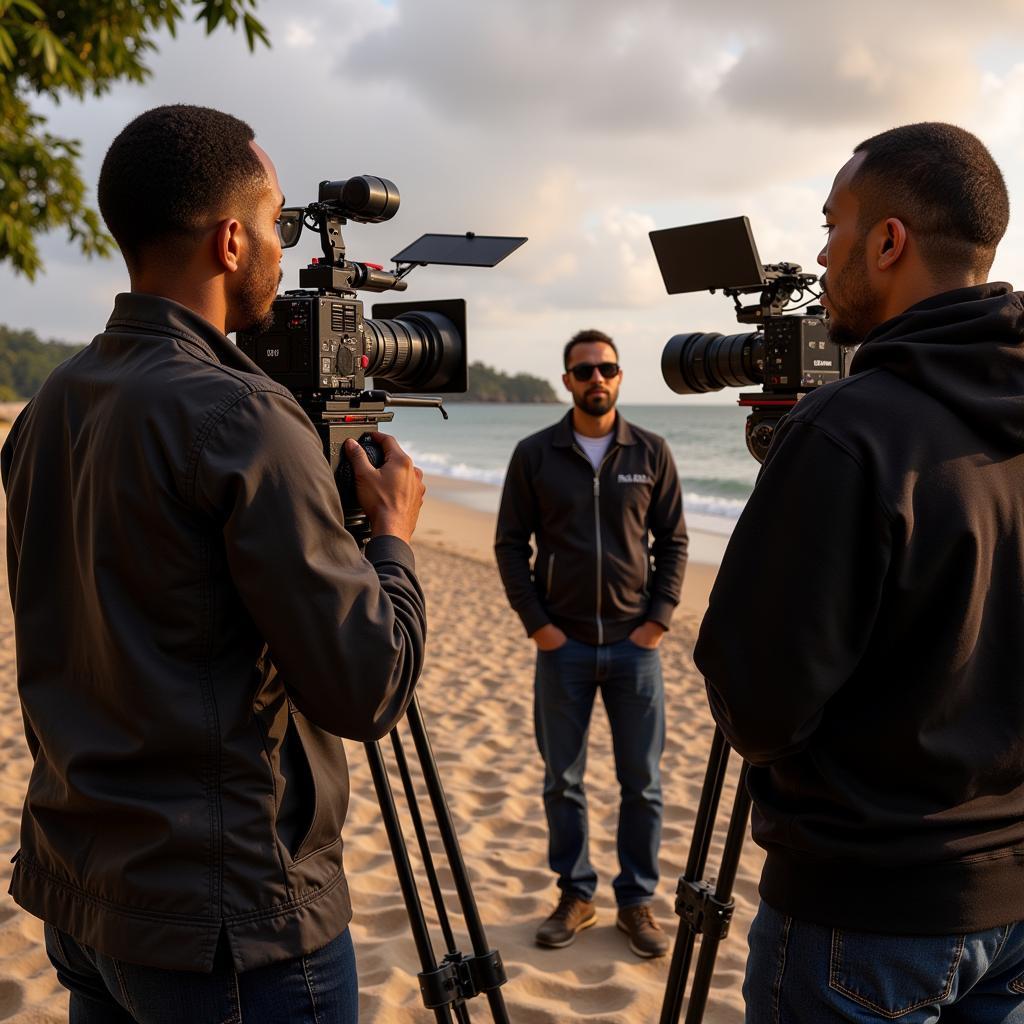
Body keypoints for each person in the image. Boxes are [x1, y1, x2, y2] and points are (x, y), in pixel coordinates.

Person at [1, 105, 427, 1023]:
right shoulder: (243, 416)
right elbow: (364, 687)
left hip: (89, 901)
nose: (284, 247)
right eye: (277, 224)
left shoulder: (50, 406)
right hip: (229, 926)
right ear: (232, 240)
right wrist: (388, 535)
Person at [695, 122, 1024, 1021]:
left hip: (866, 917)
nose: (821, 251)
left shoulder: (848, 431)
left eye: (832, 224)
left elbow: (757, 708)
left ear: (889, 243)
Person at [494, 329, 688, 958]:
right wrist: (538, 625)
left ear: (620, 376)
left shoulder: (651, 452)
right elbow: (509, 545)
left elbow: (674, 542)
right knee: (563, 782)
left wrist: (657, 620)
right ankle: (576, 894)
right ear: (567, 381)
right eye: (584, 371)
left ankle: (636, 902)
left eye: (606, 368)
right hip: (564, 649)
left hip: (636, 647)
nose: (595, 379)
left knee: (644, 783)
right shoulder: (535, 454)